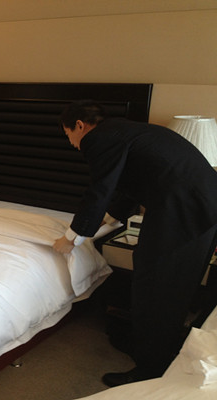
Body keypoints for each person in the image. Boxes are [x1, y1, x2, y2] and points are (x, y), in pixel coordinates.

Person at [53, 100, 217, 387]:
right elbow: (129, 182)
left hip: (182, 211)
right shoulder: (126, 132)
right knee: (176, 285)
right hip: (203, 207)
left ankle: (150, 369)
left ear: (79, 125)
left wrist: (72, 237)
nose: (72, 143)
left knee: (155, 287)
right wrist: (109, 219)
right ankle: (161, 348)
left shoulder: (98, 138)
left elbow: (100, 189)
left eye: (68, 135)